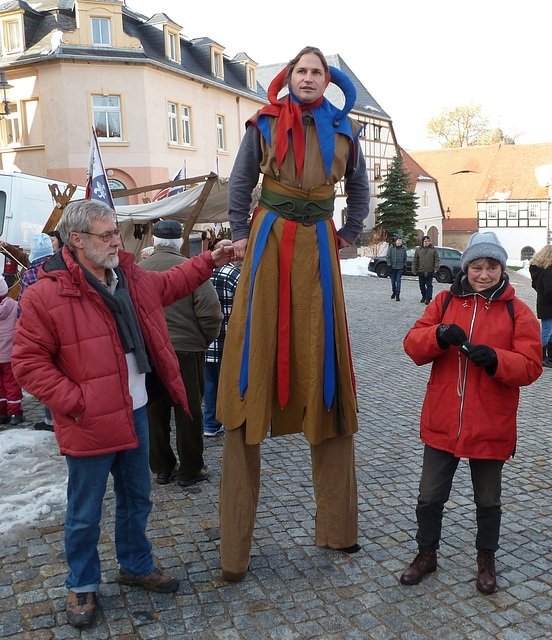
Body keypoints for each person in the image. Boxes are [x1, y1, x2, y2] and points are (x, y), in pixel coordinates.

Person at [11, 199, 234, 628]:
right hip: (89, 421)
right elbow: (28, 364)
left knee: (138, 500)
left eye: (117, 232)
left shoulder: (129, 277)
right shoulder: (46, 293)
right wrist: (77, 403)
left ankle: (135, 564)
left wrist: (210, 259)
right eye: (107, 234)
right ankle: (82, 583)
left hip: (134, 412)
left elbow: (172, 283)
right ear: (76, 240)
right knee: (84, 512)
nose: (118, 239)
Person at [216, 46, 369, 582]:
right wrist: (240, 235)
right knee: (253, 361)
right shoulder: (262, 125)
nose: (308, 78)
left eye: (317, 72)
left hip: (320, 253)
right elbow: (239, 184)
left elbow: (361, 194)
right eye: (301, 71)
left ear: (328, 82)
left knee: (324, 364)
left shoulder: (345, 133)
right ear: (289, 77)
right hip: (269, 245)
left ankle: (337, 528)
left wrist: (346, 237)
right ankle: (234, 549)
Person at [401, 231, 541, 594]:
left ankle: (485, 560)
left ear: (501, 268)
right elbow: (413, 345)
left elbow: (530, 366)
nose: (484, 274)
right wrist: (438, 335)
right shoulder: (445, 302)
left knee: (488, 500)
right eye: (477, 266)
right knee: (429, 496)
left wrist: (497, 359)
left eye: (491, 266)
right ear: (467, 268)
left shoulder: (517, 310)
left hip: (491, 423)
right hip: (443, 420)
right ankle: (426, 554)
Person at [140, 220, 223, 487]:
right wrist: (202, 342)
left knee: (154, 410)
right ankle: (190, 469)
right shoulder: (189, 270)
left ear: (154, 241)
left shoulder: (138, 271)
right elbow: (211, 314)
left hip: (150, 351)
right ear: (179, 243)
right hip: (186, 350)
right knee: (188, 412)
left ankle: (162, 468)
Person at [17, 233, 55, 430]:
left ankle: (50, 420)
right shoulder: (61, 266)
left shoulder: (30, 273)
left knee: (46, 375)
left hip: (40, 331)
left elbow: (23, 306)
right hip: (61, 326)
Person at [202, 239, 240, 437]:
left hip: (207, 341)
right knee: (230, 384)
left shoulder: (203, 274)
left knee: (210, 385)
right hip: (229, 341)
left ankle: (209, 424)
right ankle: (228, 420)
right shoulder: (235, 274)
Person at [0, 276, 22, 426]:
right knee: (12, 383)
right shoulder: (15, 306)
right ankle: (15, 413)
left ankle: (1, 413)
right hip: (10, 354)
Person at [529, 245, 552, 368]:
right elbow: (550, 289)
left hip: (543, 303)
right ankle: (541, 356)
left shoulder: (538, 270)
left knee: (549, 331)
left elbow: (535, 285)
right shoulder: (548, 270)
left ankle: (547, 357)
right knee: (547, 332)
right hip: (549, 305)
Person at [412, 235, 439, 305]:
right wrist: (414, 269)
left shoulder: (433, 249)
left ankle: (428, 298)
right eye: (425, 241)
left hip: (430, 270)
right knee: (422, 285)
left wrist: (436, 268)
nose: (427, 243)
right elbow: (415, 260)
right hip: (421, 270)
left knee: (429, 285)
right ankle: (424, 296)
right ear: (423, 242)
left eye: (428, 241)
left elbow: (437, 259)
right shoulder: (419, 250)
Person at [386, 235, 407, 301]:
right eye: (398, 241)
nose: (399, 242)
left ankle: (398, 294)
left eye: (400, 241)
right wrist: (389, 265)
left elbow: (405, 258)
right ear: (396, 241)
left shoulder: (403, 248)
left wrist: (404, 265)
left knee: (398, 281)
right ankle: (394, 291)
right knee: (393, 281)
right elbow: (388, 257)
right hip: (393, 267)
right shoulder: (391, 248)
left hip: (400, 268)